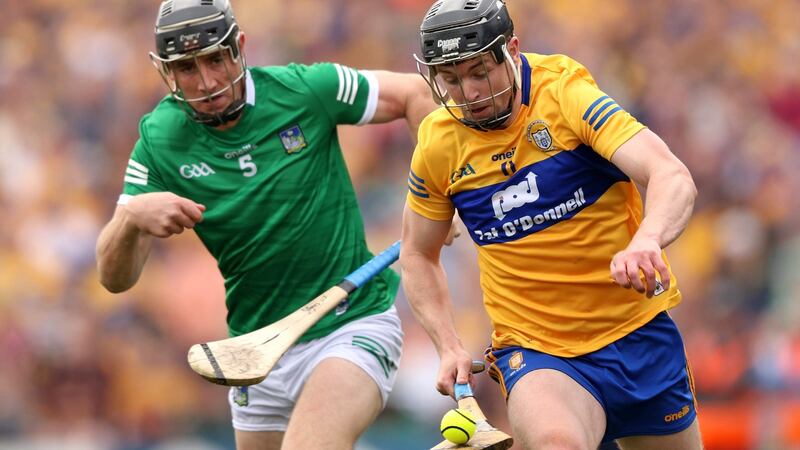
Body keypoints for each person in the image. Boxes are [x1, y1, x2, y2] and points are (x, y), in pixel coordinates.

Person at [95, 0, 451, 449]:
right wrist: (129, 219)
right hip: (256, 349)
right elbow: (114, 279)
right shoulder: (159, 140)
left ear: (239, 48)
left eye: (215, 60)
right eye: (187, 68)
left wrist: (437, 194)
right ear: (166, 72)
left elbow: (417, 93)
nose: (206, 82)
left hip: (350, 324)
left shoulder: (304, 89)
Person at [400, 0, 703, 449]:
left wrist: (648, 239)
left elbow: (670, 175)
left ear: (513, 50)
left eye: (480, 71)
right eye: (450, 78)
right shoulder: (438, 145)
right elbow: (418, 255)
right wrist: (448, 344)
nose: (468, 92)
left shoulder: (565, 94)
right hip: (537, 349)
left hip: (637, 333)